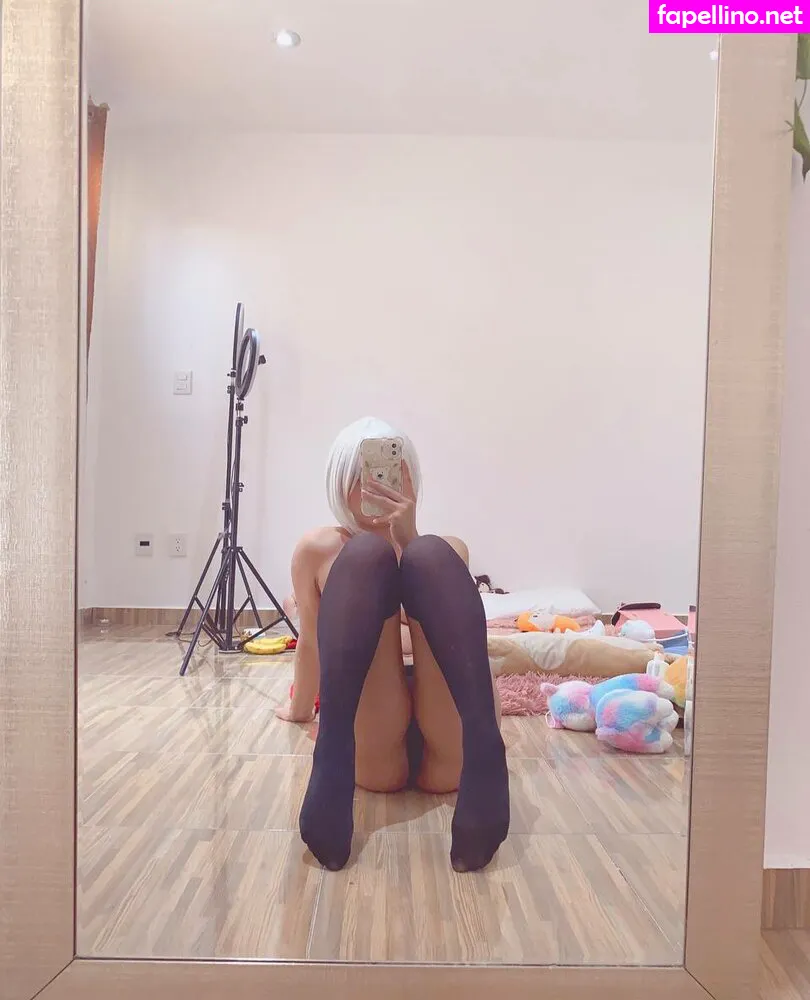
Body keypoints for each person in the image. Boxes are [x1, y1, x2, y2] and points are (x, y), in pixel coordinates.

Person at [276, 416, 510, 873]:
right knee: (365, 556)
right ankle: (332, 753)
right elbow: (311, 642)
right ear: (339, 480)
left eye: (387, 470)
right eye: (360, 473)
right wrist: (300, 709)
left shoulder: (447, 551)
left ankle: (486, 747)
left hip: (451, 737)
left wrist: (409, 539)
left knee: (432, 552)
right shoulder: (318, 549)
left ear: (410, 477)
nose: (373, 483)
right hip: (374, 740)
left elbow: (465, 647)